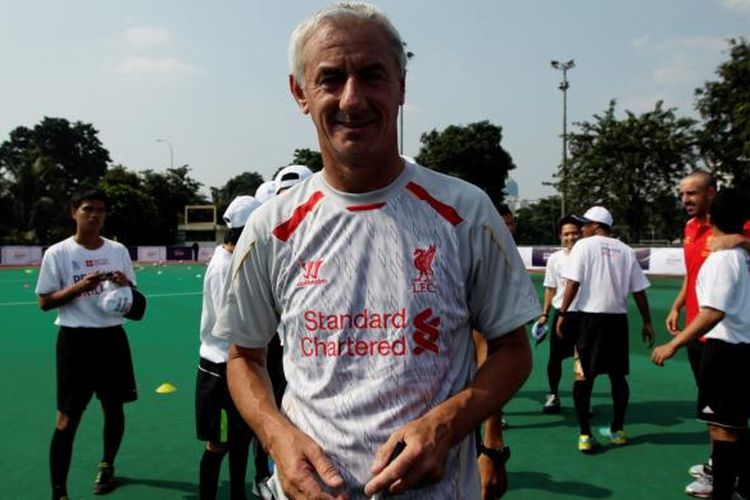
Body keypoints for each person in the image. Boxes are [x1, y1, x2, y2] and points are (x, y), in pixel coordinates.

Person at [217, 3, 540, 499]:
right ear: (299, 93)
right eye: (330, 78)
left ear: (402, 86)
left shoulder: (465, 212)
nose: (352, 99)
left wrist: (448, 426)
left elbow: (512, 351)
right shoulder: (271, 228)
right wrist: (279, 439)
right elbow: (243, 356)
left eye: (372, 75)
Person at [35, 188, 140, 500]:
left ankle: (107, 465)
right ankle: (59, 492)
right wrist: (78, 287)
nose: (94, 216)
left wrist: (125, 284)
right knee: (66, 419)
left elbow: (132, 290)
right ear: (74, 213)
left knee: (114, 409)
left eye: (100, 210)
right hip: (75, 342)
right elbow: (44, 302)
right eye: (88, 209)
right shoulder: (58, 253)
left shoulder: (118, 250)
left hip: (112, 339)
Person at [652, 189, 750, 500]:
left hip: (725, 351)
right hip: (742, 349)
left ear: (710, 218)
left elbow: (712, 313)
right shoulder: (744, 256)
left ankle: (722, 490)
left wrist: (673, 345)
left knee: (721, 427)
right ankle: (741, 484)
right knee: (734, 423)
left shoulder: (723, 259)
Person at [557, 206, 654, 453]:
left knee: (583, 376)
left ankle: (584, 434)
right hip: (617, 321)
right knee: (618, 377)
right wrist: (647, 322)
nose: (581, 229)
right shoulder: (625, 249)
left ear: (597, 225)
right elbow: (639, 291)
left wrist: (563, 312)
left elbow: (573, 282)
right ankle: (618, 430)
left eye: (585, 224)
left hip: (589, 320)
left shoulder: (583, 246)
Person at [195, 195, 270, 499]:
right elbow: (231, 324)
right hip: (220, 371)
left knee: (240, 439)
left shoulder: (235, 260)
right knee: (219, 444)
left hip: (236, 364)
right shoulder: (224, 268)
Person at [537, 215, 582, 413]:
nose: (570, 237)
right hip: (561, 316)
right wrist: (544, 314)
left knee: (582, 360)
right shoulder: (555, 259)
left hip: (584, 315)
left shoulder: (587, 256)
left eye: (574, 233)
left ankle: (582, 400)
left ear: (581, 234)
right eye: (566, 234)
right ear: (560, 236)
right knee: (555, 358)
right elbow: (550, 289)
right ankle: (553, 394)